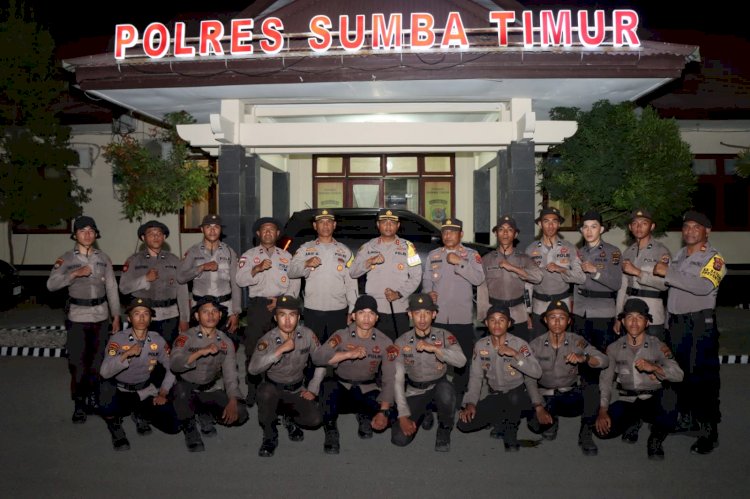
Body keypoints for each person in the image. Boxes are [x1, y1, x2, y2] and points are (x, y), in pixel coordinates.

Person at [653, 210, 726, 454]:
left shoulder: (714, 259)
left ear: (707, 231)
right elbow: (672, 291)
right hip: (677, 324)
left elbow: (703, 286)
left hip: (699, 326)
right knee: (680, 374)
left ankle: (709, 431)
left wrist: (668, 272)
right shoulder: (680, 255)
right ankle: (687, 420)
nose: (690, 231)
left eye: (696, 227)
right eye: (686, 227)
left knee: (703, 378)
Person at [47, 215, 121, 423]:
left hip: (101, 316)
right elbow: (51, 285)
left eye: (91, 231)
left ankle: (94, 397)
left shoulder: (103, 258)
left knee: (98, 361)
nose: (87, 235)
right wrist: (74, 274)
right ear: (75, 235)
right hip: (78, 316)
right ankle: (79, 403)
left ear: (96, 234)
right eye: (82, 231)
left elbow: (112, 288)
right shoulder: (66, 259)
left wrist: (116, 315)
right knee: (78, 363)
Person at [595, 299, 684, 460]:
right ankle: (634, 421)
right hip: (628, 401)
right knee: (601, 431)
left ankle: (656, 437)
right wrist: (603, 410)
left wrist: (655, 368)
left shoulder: (658, 345)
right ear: (623, 321)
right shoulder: (613, 348)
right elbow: (606, 381)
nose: (634, 322)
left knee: (670, 398)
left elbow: (679, 374)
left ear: (647, 322)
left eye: (640, 317)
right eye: (630, 317)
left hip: (652, 400)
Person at [311, 294, 397, 454]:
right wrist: (347, 354)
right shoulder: (341, 335)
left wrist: (383, 411)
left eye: (371, 313)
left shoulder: (385, 342)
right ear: (353, 316)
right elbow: (317, 358)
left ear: (377, 318)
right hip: (342, 389)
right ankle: (331, 430)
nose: (366, 318)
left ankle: (364, 414)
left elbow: (389, 378)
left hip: (367, 389)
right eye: (361, 313)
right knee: (328, 387)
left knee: (394, 415)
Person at [526, 300, 608, 456]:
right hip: (546, 396)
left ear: (569, 321)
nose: (557, 322)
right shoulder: (535, 345)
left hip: (569, 395)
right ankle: (551, 420)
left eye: (562, 318)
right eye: (552, 317)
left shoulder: (577, 341)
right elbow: (529, 378)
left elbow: (604, 361)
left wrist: (585, 358)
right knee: (535, 425)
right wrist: (539, 407)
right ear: (545, 320)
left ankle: (586, 433)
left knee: (592, 388)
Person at [247, 296, 326, 457]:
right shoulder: (267, 340)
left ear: (298, 317)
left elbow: (322, 361)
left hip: (297, 389)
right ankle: (269, 435)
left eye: (292, 315)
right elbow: (253, 369)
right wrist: (279, 350)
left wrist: (313, 388)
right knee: (265, 393)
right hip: (274, 389)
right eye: (282, 315)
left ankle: (289, 417)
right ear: (276, 318)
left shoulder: (307, 335)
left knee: (315, 419)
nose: (288, 320)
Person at [235, 217, 301, 407]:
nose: (268, 233)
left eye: (272, 230)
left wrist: (283, 301)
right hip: (259, 306)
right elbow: (240, 280)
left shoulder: (286, 257)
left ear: (277, 234)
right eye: (264, 230)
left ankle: (276, 387)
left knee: (281, 347)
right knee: (253, 347)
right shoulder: (249, 255)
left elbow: (295, 283)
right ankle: (253, 387)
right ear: (258, 233)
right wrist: (256, 269)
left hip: (281, 306)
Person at [99, 298, 180, 451]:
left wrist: (163, 392)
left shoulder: (157, 340)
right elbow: (104, 371)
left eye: (146, 314)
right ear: (129, 318)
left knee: (173, 426)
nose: (141, 318)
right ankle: (114, 425)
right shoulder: (118, 339)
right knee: (105, 391)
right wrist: (125, 355)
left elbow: (172, 367)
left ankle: (140, 413)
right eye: (136, 314)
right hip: (120, 392)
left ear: (151, 319)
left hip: (144, 391)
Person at [457, 305, 542, 451]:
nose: (497, 324)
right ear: (486, 323)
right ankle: (499, 418)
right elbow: (476, 377)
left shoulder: (519, 344)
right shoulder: (480, 346)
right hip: (496, 395)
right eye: (492, 320)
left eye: (501, 320)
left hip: (519, 396)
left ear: (509, 324)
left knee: (520, 405)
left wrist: (516, 355)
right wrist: (470, 403)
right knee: (464, 424)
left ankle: (510, 431)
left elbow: (536, 373)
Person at [170, 296, 249, 452]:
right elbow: (175, 365)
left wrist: (233, 399)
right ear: (197, 316)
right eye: (205, 312)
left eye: (214, 311)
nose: (210, 315)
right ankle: (190, 428)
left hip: (209, 389)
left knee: (240, 413)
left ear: (220, 315)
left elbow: (231, 375)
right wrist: (199, 352)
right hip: (187, 389)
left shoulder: (225, 342)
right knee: (180, 391)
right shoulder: (186, 337)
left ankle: (204, 412)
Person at [391, 293, 466, 452]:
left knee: (446, 390)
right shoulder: (401, 342)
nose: (422, 318)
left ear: (434, 314)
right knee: (399, 438)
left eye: (427, 313)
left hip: (439, 387)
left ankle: (444, 429)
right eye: (417, 313)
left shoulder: (444, 336)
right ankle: (424, 411)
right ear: (410, 314)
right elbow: (397, 380)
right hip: (415, 391)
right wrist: (402, 415)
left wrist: (436, 349)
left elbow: (461, 361)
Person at [421, 218, 484, 400]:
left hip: (461, 318)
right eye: (445, 232)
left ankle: (459, 395)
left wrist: (460, 262)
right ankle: (436, 396)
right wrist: (428, 293)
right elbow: (427, 281)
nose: (448, 235)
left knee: (462, 361)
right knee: (435, 359)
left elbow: (479, 279)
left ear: (461, 234)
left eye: (452, 232)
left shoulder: (471, 255)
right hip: (439, 317)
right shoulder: (433, 255)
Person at [349, 209, 422, 341]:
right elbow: (353, 272)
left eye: (392, 223)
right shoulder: (368, 247)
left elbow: (416, 276)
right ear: (378, 225)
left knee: (400, 347)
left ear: (398, 225)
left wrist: (399, 293)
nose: (388, 226)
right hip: (374, 310)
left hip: (399, 307)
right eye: (384, 222)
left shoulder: (408, 247)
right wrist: (369, 262)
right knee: (375, 348)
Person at [288, 209, 358, 343]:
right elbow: (291, 271)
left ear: (334, 225)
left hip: (338, 310)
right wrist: (306, 263)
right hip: (313, 310)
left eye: (329, 222)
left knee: (337, 348)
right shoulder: (305, 249)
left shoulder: (345, 251)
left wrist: (353, 308)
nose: (325, 225)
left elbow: (351, 283)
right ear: (315, 226)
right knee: (313, 348)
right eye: (321, 222)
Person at [119, 220, 189, 345]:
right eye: (151, 233)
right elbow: (123, 288)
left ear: (164, 237)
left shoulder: (174, 260)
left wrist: (184, 319)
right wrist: (145, 279)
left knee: (168, 352)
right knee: (141, 352)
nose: (156, 237)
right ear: (143, 238)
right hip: (143, 317)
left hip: (169, 316)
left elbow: (182, 292)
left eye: (159, 234)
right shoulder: (134, 260)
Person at [478, 215, 543, 343]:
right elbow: (482, 290)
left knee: (520, 349)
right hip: (495, 315)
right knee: (495, 350)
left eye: (509, 230)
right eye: (501, 229)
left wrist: (513, 268)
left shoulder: (524, 259)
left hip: (518, 314)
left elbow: (538, 278)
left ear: (515, 234)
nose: (505, 233)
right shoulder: (486, 260)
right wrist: (484, 316)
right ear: (496, 233)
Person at [177, 214, 241, 339]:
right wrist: (201, 267)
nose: (212, 231)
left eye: (216, 227)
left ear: (221, 230)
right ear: (202, 229)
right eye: (208, 227)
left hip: (224, 308)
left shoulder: (229, 252)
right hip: (200, 310)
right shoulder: (193, 252)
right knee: (200, 345)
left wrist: (236, 312)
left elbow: (235, 283)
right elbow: (181, 278)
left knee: (226, 345)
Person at [525, 207, 586, 336]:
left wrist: (561, 269)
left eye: (554, 221)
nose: (550, 225)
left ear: (559, 224)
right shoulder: (530, 249)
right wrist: (527, 311)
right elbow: (527, 285)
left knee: (563, 345)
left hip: (562, 306)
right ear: (540, 224)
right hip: (539, 306)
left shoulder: (569, 248)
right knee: (539, 344)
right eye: (546, 221)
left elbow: (581, 277)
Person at [615, 209, 671, 341]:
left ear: (652, 226)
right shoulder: (628, 252)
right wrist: (618, 316)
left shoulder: (661, 252)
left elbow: (665, 284)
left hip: (652, 315)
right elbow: (622, 288)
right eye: (635, 223)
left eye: (644, 223)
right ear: (630, 227)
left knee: (653, 352)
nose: (639, 227)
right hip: (629, 313)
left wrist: (638, 272)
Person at [573, 210, 622, 353]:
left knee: (602, 356)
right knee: (580, 355)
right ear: (581, 230)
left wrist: (595, 271)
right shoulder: (579, 252)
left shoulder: (613, 252)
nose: (589, 231)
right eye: (585, 227)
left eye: (593, 227)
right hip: (581, 313)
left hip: (602, 313)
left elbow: (616, 284)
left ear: (601, 229)